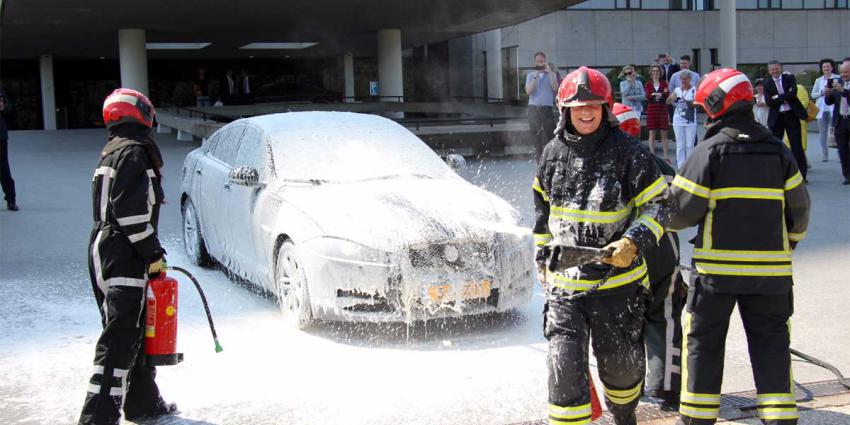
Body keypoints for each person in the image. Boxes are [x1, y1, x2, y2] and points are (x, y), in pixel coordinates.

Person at [533, 67, 674, 425]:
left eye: (594, 105)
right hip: (565, 291)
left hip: (618, 287)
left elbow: (660, 204)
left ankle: (624, 416)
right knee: (564, 375)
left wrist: (634, 240)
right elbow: (541, 215)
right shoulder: (550, 154)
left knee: (622, 372)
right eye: (578, 106)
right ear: (564, 109)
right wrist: (542, 259)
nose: (585, 112)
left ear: (606, 108)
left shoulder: (630, 153)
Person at [670, 68, 811, 425]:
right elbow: (801, 210)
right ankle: (779, 418)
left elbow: (680, 213)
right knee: (771, 347)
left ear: (717, 105)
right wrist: (784, 248)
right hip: (772, 277)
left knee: (704, 345)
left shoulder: (710, 151)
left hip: (717, 276)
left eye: (706, 107)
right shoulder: (778, 151)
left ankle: (698, 419)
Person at [79, 88, 176, 425]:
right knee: (120, 338)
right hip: (123, 253)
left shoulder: (113, 149)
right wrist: (152, 253)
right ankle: (97, 419)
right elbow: (132, 215)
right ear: (140, 114)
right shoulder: (134, 152)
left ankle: (143, 402)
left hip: (107, 248)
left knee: (132, 330)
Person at [615, 102, 684, 411]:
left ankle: (630, 389)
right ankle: (665, 392)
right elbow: (681, 208)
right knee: (664, 319)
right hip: (663, 251)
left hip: (623, 255)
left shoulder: (607, 167)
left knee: (626, 321)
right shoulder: (661, 165)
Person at [764, 60, 809, 180]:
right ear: (769, 71)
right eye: (772, 69)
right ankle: (776, 175)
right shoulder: (767, 83)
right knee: (775, 146)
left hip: (791, 116)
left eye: (776, 68)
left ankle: (802, 175)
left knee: (797, 147)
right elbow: (769, 101)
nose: (775, 71)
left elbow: (793, 93)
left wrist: (777, 97)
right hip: (777, 118)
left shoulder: (789, 78)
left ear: (781, 68)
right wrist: (785, 97)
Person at [526, 51, 560, 159]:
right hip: (533, 108)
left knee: (550, 133)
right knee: (535, 134)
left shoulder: (552, 74)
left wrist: (550, 73)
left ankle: (551, 156)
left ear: (545, 61)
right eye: (537, 62)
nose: (540, 64)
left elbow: (555, 88)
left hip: (546, 108)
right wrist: (536, 76)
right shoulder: (530, 75)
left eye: (541, 61)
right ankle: (538, 157)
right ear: (535, 62)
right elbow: (529, 91)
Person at [824, 60, 850, 185]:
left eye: (846, 72)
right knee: (843, 150)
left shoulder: (842, 86)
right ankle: (847, 175)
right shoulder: (837, 82)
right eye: (841, 72)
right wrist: (828, 94)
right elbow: (829, 102)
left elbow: (845, 95)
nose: (843, 74)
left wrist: (844, 91)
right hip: (840, 121)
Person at [667, 70, 698, 167]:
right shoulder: (677, 90)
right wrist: (673, 99)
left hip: (690, 120)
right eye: (682, 79)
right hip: (678, 119)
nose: (684, 81)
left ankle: (689, 166)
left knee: (689, 145)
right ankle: (681, 167)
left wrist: (688, 102)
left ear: (690, 79)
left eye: (686, 79)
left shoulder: (694, 90)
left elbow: (698, 104)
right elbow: (668, 101)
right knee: (680, 145)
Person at [811, 58, 837, 162]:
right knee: (823, 132)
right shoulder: (818, 80)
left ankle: (840, 152)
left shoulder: (837, 78)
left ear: (832, 67)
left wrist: (833, 91)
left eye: (828, 66)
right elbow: (813, 94)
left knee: (836, 131)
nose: (826, 68)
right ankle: (824, 153)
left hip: (834, 109)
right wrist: (822, 92)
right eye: (824, 67)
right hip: (821, 109)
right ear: (822, 69)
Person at [645, 65, 671, 163]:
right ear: (651, 73)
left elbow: (666, 95)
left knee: (664, 133)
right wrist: (660, 94)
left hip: (662, 110)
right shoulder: (648, 84)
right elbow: (648, 96)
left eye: (657, 71)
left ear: (660, 73)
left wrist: (655, 95)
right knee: (652, 133)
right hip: (652, 110)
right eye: (653, 71)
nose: (655, 73)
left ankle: (666, 156)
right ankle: (653, 156)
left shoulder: (664, 83)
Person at [0, 88, 18, 211]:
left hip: (0, 136)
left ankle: (11, 200)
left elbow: (9, 108)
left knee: (3, 169)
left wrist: (3, 107)